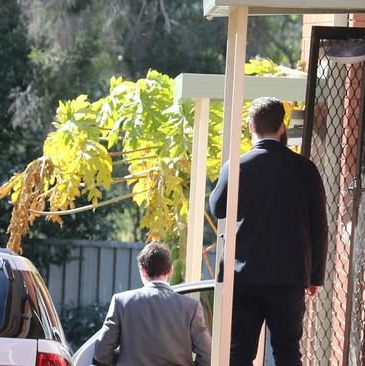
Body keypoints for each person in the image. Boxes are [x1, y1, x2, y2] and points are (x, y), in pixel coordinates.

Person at [209, 97, 329, 365]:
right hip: (289, 278)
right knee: (287, 353)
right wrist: (315, 276)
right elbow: (319, 226)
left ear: (251, 126)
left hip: (244, 276)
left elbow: (217, 208)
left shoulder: (237, 167)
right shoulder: (305, 169)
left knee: (239, 352)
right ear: (282, 127)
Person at [93, 242, 211, 366]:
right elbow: (207, 355)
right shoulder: (191, 307)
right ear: (170, 270)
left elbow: (101, 353)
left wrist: (123, 358)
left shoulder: (121, 302)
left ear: (142, 271)